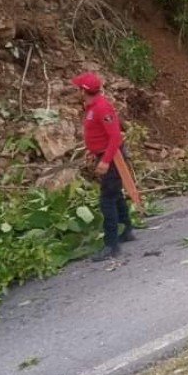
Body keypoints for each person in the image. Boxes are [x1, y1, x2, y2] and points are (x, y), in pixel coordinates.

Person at [71, 71, 135, 262]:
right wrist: (92, 151)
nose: (75, 91)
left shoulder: (102, 108)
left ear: (83, 91)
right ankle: (126, 230)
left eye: (77, 88)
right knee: (115, 195)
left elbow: (115, 136)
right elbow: (98, 134)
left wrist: (105, 161)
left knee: (107, 200)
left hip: (112, 158)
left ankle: (111, 244)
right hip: (103, 154)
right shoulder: (91, 107)